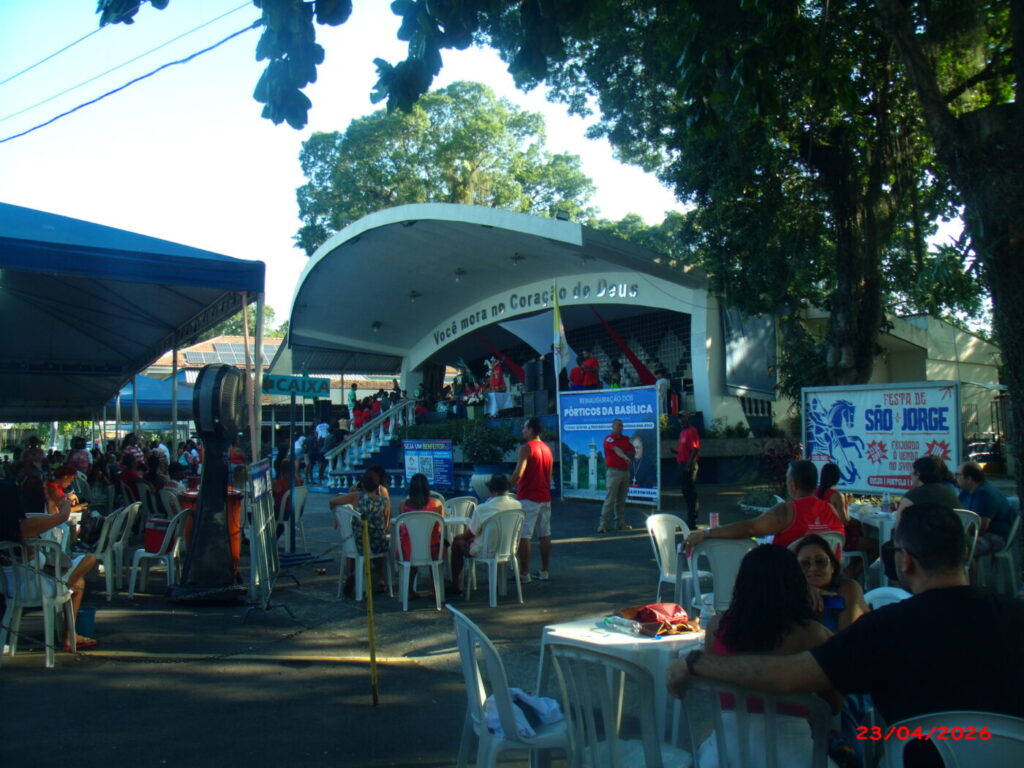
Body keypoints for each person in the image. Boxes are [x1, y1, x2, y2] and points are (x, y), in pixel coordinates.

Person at [669, 503, 1024, 768]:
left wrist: (696, 661)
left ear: (906, 562)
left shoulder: (884, 629)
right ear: (965, 553)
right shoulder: (1015, 615)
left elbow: (789, 674)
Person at [696, 544, 837, 768]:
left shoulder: (716, 627)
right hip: (795, 755)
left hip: (723, 755)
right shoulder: (813, 634)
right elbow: (835, 703)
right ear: (796, 583)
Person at [1, 483, 99, 649]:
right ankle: (69, 634)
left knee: (79, 582)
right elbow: (62, 517)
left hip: (11, 589)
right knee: (89, 559)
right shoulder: (26, 526)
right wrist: (66, 502)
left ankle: (70, 632)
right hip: (35, 588)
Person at [684, 460, 845, 555]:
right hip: (827, 583)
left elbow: (750, 528)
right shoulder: (831, 510)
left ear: (792, 484)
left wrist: (707, 533)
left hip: (789, 584)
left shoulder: (787, 511)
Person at [448, 474, 522, 594]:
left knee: (457, 544)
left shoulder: (483, 509)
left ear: (491, 490)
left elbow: (470, 534)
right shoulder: (517, 505)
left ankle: (456, 585)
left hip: (486, 550)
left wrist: (457, 537)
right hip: (509, 548)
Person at [330, 468, 391, 598]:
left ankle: (351, 573)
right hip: (376, 544)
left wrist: (336, 514)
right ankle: (381, 579)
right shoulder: (384, 501)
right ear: (378, 485)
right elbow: (386, 524)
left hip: (357, 543)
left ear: (362, 484)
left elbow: (333, 501)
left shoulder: (356, 496)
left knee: (354, 540)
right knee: (381, 541)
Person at [792, 534, 867, 632]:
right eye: (804, 563)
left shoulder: (848, 588)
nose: (813, 568)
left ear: (832, 566)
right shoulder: (789, 592)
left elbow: (847, 638)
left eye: (821, 561)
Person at [510, 416, 553, 582]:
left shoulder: (526, 448)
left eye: (525, 428)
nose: (523, 431)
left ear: (532, 430)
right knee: (545, 534)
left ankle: (524, 573)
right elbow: (549, 476)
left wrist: (506, 485)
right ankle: (544, 570)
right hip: (544, 496)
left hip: (528, 497)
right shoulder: (548, 449)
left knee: (524, 535)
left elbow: (518, 473)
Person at [815, 462, 877, 574]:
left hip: (820, 537)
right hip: (838, 539)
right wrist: (845, 507)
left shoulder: (815, 493)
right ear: (837, 478)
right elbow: (844, 521)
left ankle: (852, 569)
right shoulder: (836, 495)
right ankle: (853, 573)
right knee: (877, 545)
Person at [956, 461, 1014, 557]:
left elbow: (980, 526)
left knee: (960, 549)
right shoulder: (965, 492)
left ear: (969, 478)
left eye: (958, 475)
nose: (955, 478)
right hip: (974, 534)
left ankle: (968, 571)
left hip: (994, 536)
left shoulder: (985, 494)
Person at [598, 419, 634, 533]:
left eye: (622, 426)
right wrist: (624, 455)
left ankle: (620, 524)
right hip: (613, 472)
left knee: (621, 500)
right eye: (618, 425)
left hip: (625, 472)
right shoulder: (609, 439)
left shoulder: (626, 439)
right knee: (610, 499)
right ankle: (603, 525)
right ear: (612, 426)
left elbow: (632, 452)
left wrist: (625, 453)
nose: (620, 427)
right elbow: (616, 449)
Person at [897, 456, 961, 512]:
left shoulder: (911, 497)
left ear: (918, 474)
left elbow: (898, 524)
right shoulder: (950, 492)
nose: (910, 475)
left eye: (912, 472)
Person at [676, 413, 701, 529]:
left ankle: (692, 521)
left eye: (683, 420)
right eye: (679, 420)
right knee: (686, 492)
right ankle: (689, 519)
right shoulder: (682, 433)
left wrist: (688, 465)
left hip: (688, 466)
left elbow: (695, 449)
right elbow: (684, 450)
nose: (681, 422)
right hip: (682, 464)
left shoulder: (692, 431)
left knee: (690, 493)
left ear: (688, 419)